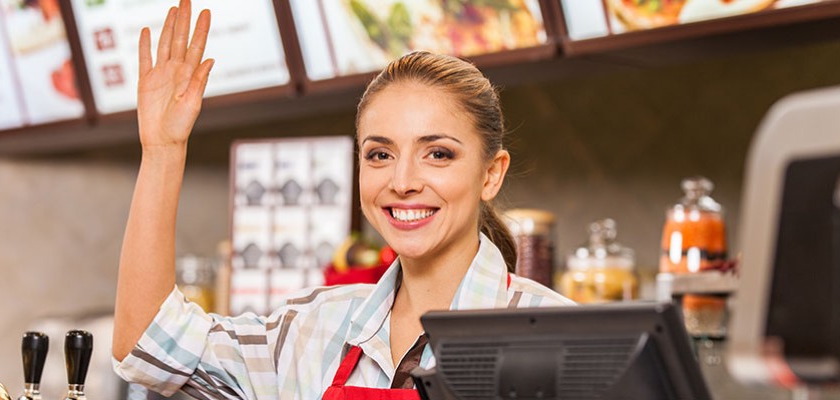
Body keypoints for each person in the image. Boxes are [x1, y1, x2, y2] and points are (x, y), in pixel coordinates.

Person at [111, 1, 574, 398]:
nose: (403, 180)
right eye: (379, 154)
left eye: (437, 153)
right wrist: (162, 150)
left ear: (491, 174)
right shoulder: (313, 327)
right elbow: (148, 342)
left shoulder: (565, 339)